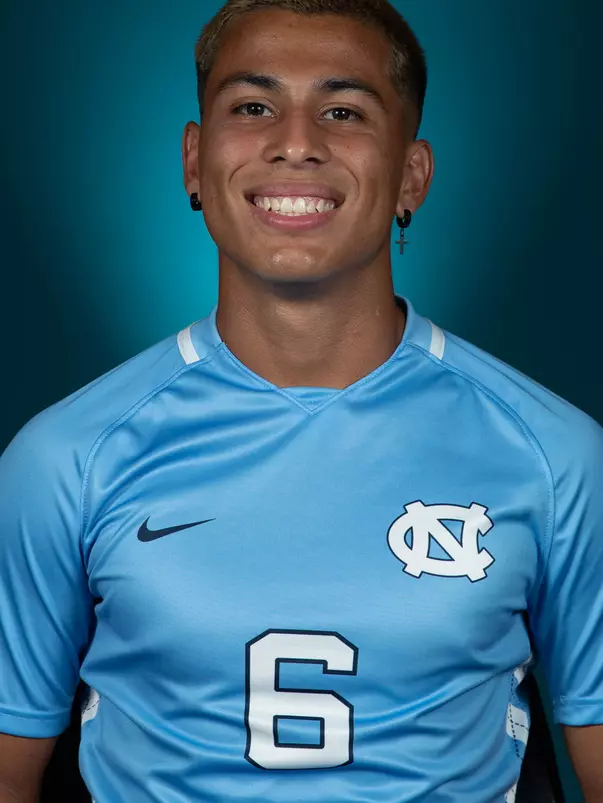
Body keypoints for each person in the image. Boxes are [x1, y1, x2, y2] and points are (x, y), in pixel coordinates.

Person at [0, 0, 602, 800]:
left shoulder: (555, 456)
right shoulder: (64, 457)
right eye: (252, 107)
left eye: (342, 110)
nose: (294, 142)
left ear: (411, 175)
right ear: (193, 160)